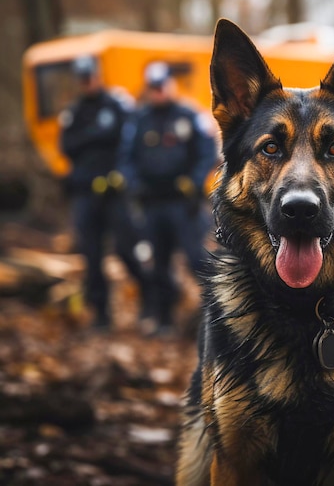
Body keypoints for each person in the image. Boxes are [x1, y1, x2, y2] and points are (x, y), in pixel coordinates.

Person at [118, 62, 217, 335]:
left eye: (163, 86)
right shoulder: (139, 120)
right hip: (151, 204)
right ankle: (164, 320)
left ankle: (218, 317)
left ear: (170, 84)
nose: (159, 92)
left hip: (183, 204)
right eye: (154, 88)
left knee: (197, 258)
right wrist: (135, 185)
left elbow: (209, 151)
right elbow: (126, 158)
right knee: (157, 264)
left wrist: (195, 181)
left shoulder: (189, 114)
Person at [59, 55, 147, 329]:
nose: (88, 83)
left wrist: (90, 137)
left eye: (91, 77)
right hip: (85, 193)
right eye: (83, 79)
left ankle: (150, 299)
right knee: (91, 254)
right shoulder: (74, 111)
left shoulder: (116, 105)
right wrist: (97, 134)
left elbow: (129, 139)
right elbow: (67, 146)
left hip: (114, 192)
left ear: (98, 75)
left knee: (126, 249)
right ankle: (101, 315)